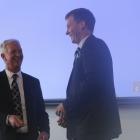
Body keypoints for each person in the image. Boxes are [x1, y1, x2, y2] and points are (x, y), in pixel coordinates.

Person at [56, 8, 122, 140]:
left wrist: (66, 105)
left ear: (82, 24)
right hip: (85, 128)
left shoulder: (93, 46)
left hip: (93, 131)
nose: (66, 32)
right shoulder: (85, 49)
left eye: (69, 26)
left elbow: (92, 84)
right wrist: (70, 115)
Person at [0, 39, 50, 140]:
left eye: (20, 51)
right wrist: (7, 118)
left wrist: (45, 131)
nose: (18, 55)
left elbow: (41, 113)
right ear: (3, 57)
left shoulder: (34, 83)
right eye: (13, 52)